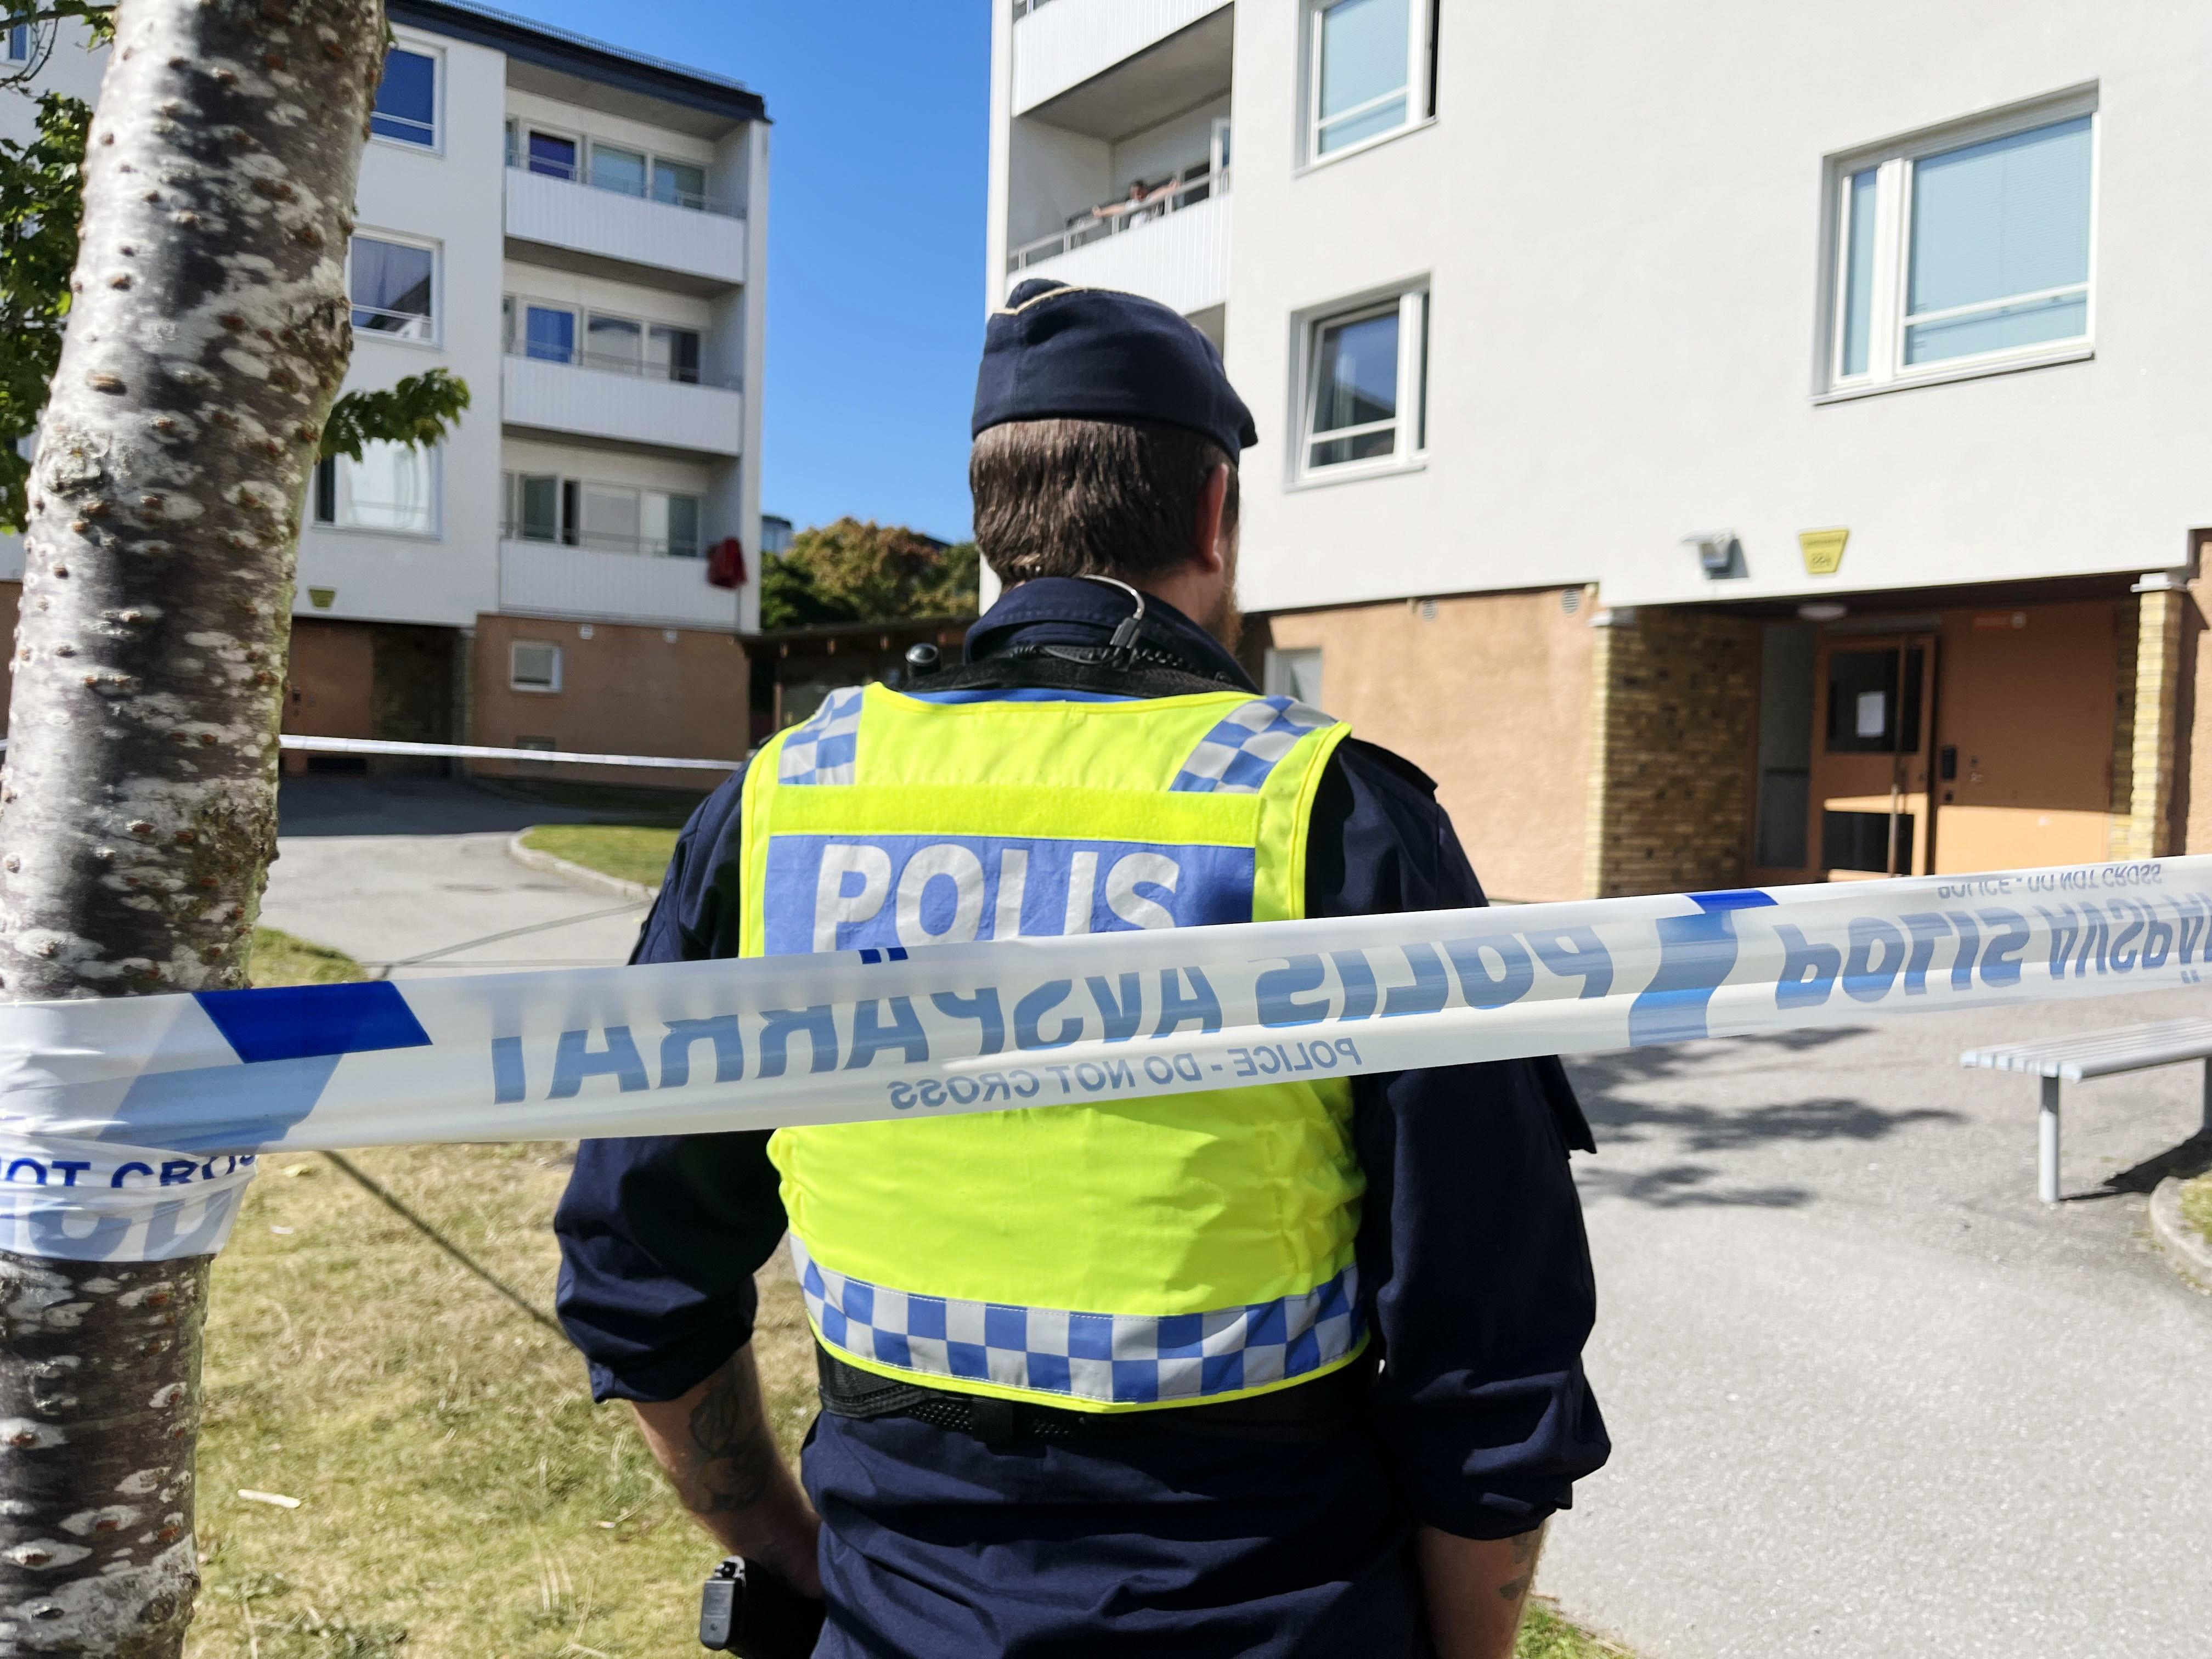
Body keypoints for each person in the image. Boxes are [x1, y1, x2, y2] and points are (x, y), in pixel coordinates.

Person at [554, 278, 1610, 1658]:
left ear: (995, 527)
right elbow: (1489, 1343)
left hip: (896, 1622)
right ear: (1214, 512)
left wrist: (796, 1560)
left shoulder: (786, 804)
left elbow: (642, 1273)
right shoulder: (1331, 815)